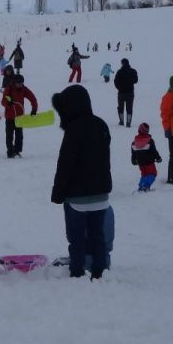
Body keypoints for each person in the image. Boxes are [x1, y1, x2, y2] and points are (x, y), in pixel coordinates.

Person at [50, 85, 112, 280]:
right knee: (97, 235)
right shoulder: (101, 125)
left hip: (77, 198)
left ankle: (77, 271)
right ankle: (99, 270)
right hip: (101, 196)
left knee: (76, 237)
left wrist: (58, 192)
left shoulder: (73, 129)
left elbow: (65, 164)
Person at [1, 74, 38, 158]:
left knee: (19, 136)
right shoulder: (9, 89)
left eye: (21, 83)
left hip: (20, 117)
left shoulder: (24, 89)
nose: (20, 85)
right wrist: (8, 103)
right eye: (19, 83)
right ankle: (10, 152)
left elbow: (33, 98)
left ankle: (17, 151)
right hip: (9, 117)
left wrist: (34, 109)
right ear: (15, 82)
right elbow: (3, 101)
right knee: (9, 136)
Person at [131, 122, 162, 192]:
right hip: (149, 162)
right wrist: (158, 158)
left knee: (144, 174)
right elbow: (154, 151)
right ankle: (145, 186)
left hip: (140, 163)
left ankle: (141, 186)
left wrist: (133, 160)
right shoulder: (149, 141)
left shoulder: (134, 142)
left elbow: (133, 152)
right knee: (153, 173)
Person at [113, 58, 138, 127]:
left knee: (120, 107)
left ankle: (121, 121)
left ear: (122, 63)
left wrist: (119, 88)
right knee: (129, 108)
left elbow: (115, 81)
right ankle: (128, 122)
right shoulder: (133, 71)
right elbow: (136, 80)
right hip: (130, 92)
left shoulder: (119, 71)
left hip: (121, 93)